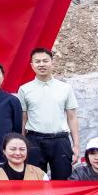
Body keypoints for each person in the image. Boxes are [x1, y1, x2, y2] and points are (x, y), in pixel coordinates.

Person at [19, 47, 80, 180]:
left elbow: (72, 118)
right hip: (34, 140)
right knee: (34, 182)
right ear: (32, 65)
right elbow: (23, 119)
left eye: (45, 61)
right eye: (37, 61)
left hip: (60, 141)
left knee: (63, 182)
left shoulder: (65, 88)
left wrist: (76, 145)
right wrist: (22, 144)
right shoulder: (24, 89)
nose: (41, 64)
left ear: (52, 63)